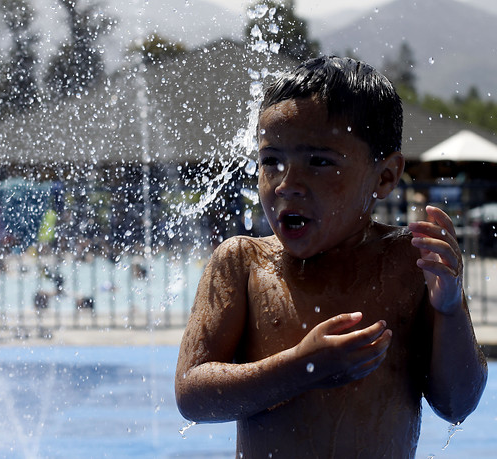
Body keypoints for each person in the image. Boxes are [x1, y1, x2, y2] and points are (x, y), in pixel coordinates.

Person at [174, 56, 487, 458]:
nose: (287, 185)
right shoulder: (242, 262)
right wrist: (302, 368)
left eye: (319, 162)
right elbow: (192, 395)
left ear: (385, 177)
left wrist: (448, 309)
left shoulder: (410, 264)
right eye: (271, 161)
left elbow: (457, 406)